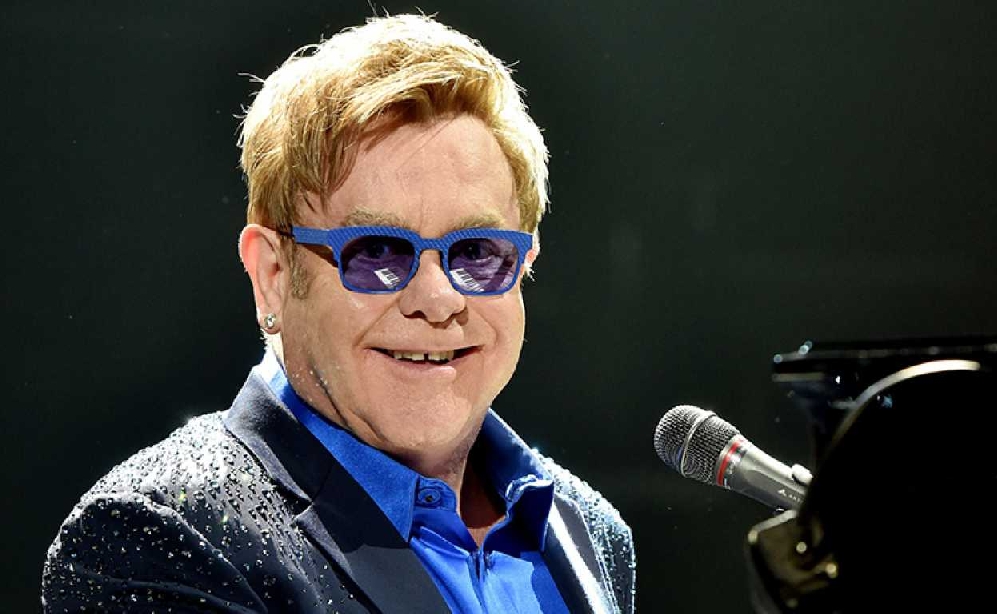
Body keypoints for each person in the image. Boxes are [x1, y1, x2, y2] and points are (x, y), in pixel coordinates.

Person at [42, 14, 635, 613]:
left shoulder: (590, 531)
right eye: (377, 252)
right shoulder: (163, 537)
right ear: (273, 276)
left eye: (478, 251)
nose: (437, 299)